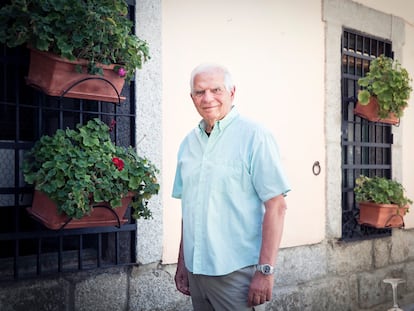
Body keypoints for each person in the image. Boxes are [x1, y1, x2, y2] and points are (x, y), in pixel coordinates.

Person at [172, 63, 290, 310]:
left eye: (216, 90)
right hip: (196, 273)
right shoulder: (187, 144)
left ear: (232, 93)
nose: (207, 98)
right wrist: (182, 262)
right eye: (199, 92)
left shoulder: (255, 136)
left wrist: (265, 271)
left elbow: (276, 206)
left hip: (239, 275)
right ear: (191, 97)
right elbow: (189, 209)